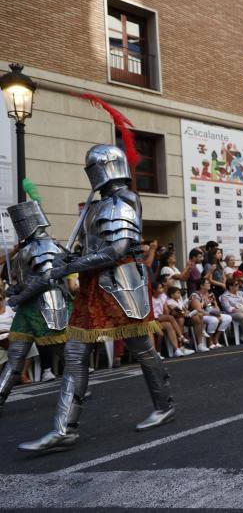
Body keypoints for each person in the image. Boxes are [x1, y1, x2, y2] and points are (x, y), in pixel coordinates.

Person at [16, 144, 175, 453]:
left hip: (121, 282)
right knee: (75, 353)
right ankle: (64, 428)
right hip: (93, 285)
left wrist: (70, 266)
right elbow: (92, 249)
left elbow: (116, 250)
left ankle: (164, 404)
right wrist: (67, 260)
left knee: (142, 349)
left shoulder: (122, 202)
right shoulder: (98, 206)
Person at [1, 201, 72, 416]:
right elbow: (25, 280)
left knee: (65, 353)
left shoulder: (45, 246)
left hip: (47, 305)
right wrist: (15, 290)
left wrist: (20, 295)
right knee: (15, 355)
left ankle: (76, 389)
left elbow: (45, 279)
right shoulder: (26, 249)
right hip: (27, 309)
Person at [189, 280, 231, 349]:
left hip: (212, 313)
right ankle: (209, 341)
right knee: (214, 320)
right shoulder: (195, 295)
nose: (209, 284)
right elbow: (198, 310)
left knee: (228, 318)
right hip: (201, 315)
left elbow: (216, 306)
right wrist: (213, 315)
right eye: (207, 283)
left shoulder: (211, 294)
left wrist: (218, 313)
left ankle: (216, 338)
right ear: (201, 285)